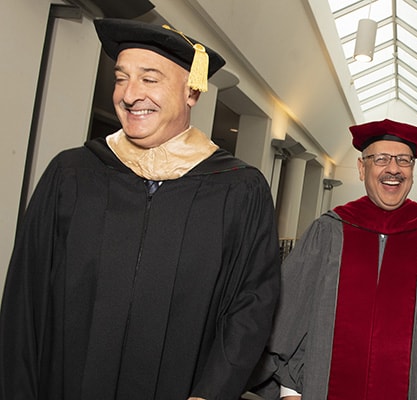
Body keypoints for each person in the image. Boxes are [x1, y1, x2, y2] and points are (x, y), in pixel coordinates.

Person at [0, 18, 280, 400]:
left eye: (150, 79)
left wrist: (210, 394)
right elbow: (25, 297)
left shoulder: (239, 189)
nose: (130, 95)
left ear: (191, 91)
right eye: (120, 78)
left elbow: (252, 306)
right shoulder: (72, 174)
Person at [251, 119, 417, 400]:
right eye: (382, 159)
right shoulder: (329, 231)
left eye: (404, 160)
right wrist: (290, 389)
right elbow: (288, 319)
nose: (394, 169)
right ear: (362, 169)